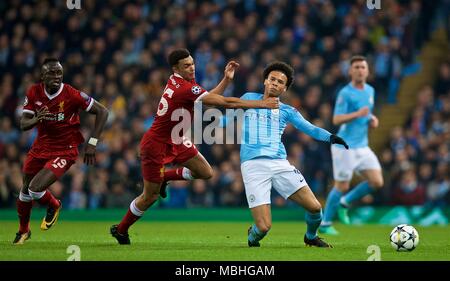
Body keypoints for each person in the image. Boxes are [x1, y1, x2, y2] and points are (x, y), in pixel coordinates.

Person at [110, 48, 278, 244]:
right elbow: (223, 102)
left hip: (177, 139)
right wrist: (261, 104)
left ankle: (165, 177)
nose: (192, 68)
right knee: (149, 197)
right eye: (186, 66)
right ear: (176, 68)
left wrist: (226, 80)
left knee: (206, 172)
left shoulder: (184, 82)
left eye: (192, 63)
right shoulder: (184, 88)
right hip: (156, 145)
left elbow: (208, 101)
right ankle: (121, 229)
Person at [239, 61, 348, 248]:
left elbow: (311, 129)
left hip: (280, 163)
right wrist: (214, 123)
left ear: (284, 89)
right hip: (253, 166)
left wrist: (331, 137)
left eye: (280, 82)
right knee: (264, 228)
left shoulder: (287, 111)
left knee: (315, 209)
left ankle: (310, 236)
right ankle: (253, 235)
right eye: (272, 79)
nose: (275, 83)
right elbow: (228, 115)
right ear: (265, 81)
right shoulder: (249, 98)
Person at [13, 58, 109, 244]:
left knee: (35, 188)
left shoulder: (72, 94)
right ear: (42, 76)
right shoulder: (34, 92)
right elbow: (24, 124)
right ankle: (23, 231)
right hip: (40, 148)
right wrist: (36, 119)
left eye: (59, 73)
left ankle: (54, 205)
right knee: (25, 190)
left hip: (65, 150)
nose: (56, 77)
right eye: (52, 73)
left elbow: (103, 111)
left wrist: (92, 142)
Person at [319, 55, 384, 235]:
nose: (360, 70)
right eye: (356, 67)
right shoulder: (345, 93)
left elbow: (366, 114)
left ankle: (345, 202)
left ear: (368, 71)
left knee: (377, 181)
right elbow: (336, 119)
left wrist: (372, 119)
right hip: (344, 146)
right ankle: (325, 224)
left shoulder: (370, 90)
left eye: (363, 67)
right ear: (350, 71)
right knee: (342, 185)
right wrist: (357, 114)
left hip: (363, 146)